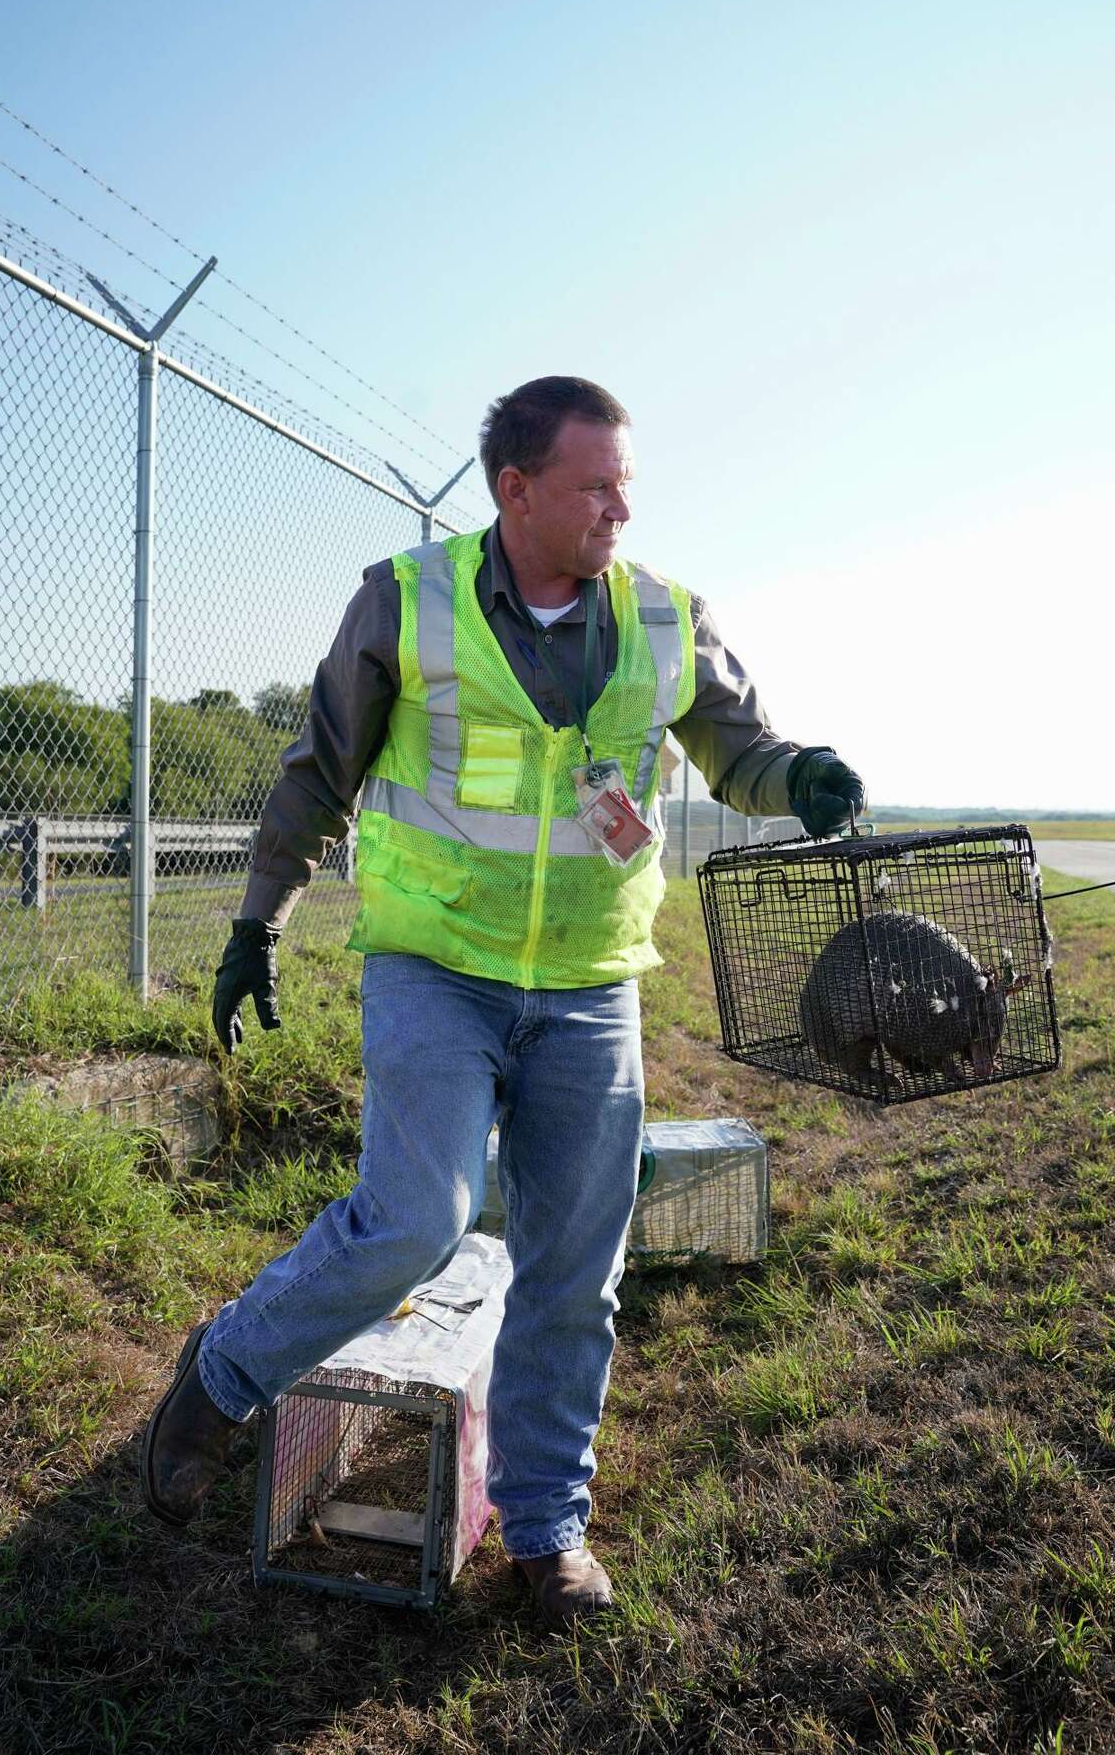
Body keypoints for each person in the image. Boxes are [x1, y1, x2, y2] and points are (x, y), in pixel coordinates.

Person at [139, 376, 864, 1627]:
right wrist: (258, 919)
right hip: (438, 966)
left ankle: (544, 1534)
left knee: (574, 1270)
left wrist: (794, 773)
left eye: (627, 482)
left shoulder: (665, 617)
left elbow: (738, 745)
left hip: (590, 986)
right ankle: (224, 1375)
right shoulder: (405, 601)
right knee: (418, 1217)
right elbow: (322, 765)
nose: (620, 508)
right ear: (515, 490)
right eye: (595, 485)